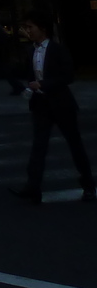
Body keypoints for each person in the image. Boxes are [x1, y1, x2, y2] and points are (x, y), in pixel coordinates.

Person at [13, 12, 94, 204]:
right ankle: (33, 186)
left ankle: (89, 184)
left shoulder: (57, 49)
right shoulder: (31, 50)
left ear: (43, 29)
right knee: (39, 145)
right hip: (41, 104)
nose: (28, 31)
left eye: (31, 27)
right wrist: (30, 86)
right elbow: (30, 73)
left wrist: (44, 84)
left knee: (75, 144)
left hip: (61, 103)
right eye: (26, 27)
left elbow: (68, 76)